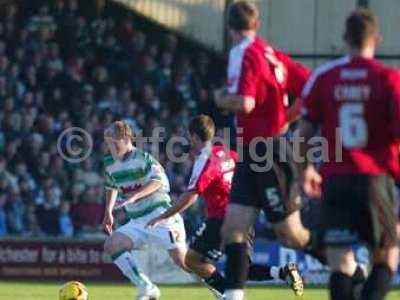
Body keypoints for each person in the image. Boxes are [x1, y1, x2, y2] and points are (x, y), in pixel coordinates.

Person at [213, 2, 368, 300]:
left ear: (229, 28)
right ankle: (233, 297)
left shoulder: (243, 53)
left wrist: (220, 97)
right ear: (257, 24)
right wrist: (287, 116)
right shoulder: (273, 55)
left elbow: (244, 102)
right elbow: (310, 84)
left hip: (268, 151)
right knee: (233, 228)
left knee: (291, 235)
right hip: (250, 152)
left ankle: (351, 268)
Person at [299, 8, 400, 300]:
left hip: (334, 182)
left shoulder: (324, 77)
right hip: (374, 181)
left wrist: (306, 169)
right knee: (386, 257)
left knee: (341, 264)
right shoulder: (388, 79)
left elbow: (303, 134)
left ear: (345, 38)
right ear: (376, 39)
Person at [146, 115, 303, 299]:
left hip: (222, 219)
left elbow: (191, 195)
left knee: (192, 260)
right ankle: (282, 273)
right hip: (244, 215)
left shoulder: (205, 160)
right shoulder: (229, 153)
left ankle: (225, 296)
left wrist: (164, 215)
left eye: (190, 137)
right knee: (240, 269)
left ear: (194, 137)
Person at [102, 120, 187, 300]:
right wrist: (108, 212)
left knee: (183, 262)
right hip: (137, 221)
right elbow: (111, 186)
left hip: (161, 216)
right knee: (112, 244)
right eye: (108, 143)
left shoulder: (143, 158)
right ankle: (147, 287)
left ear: (126, 139)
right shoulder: (110, 163)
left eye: (114, 143)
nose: (111, 148)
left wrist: (135, 196)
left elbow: (158, 182)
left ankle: (222, 289)